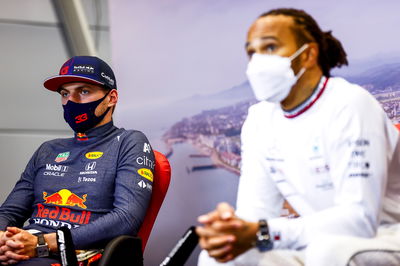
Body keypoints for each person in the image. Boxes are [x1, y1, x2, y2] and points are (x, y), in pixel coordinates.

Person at [196, 8, 400, 266]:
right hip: (318, 242)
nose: (258, 61)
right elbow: (255, 215)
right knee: (219, 259)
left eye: (270, 48)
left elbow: (360, 221)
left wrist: (263, 233)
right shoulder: (259, 121)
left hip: (385, 238)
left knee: (328, 252)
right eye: (251, 52)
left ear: (308, 55)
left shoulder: (350, 104)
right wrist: (233, 230)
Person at [0, 56, 155, 265]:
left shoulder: (129, 142)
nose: (71, 101)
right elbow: (10, 212)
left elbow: (127, 218)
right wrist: (4, 241)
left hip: (72, 255)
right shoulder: (48, 149)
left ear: (111, 98)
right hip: (23, 249)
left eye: (83, 91)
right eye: (65, 93)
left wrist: (41, 244)